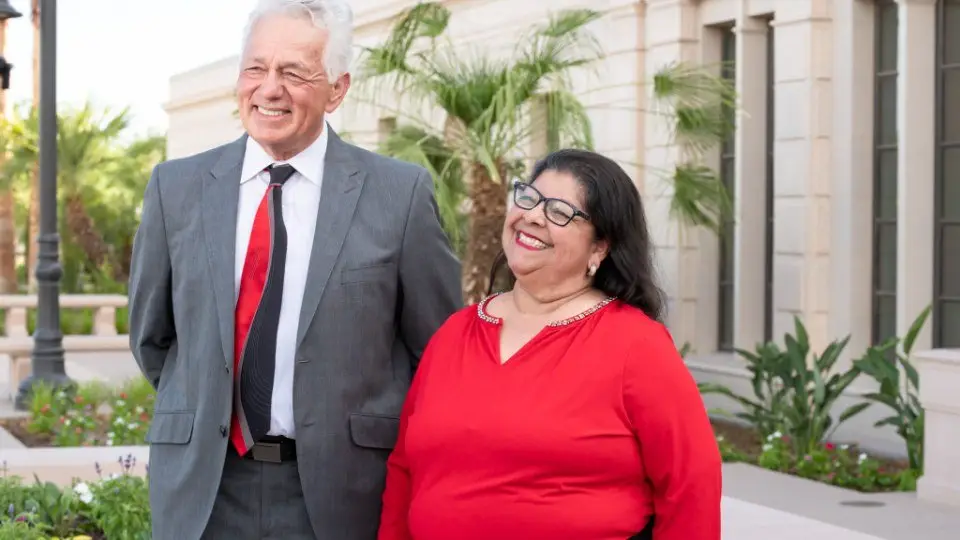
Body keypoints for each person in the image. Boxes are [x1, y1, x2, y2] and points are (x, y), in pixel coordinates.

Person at [127, 1, 462, 538]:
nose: (270, 88)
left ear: (337, 89)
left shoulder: (399, 195)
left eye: (294, 72)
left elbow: (438, 352)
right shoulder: (176, 188)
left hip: (345, 492)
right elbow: (152, 339)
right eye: (256, 68)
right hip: (205, 491)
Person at [377, 149, 722, 540]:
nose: (534, 216)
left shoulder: (636, 344)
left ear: (600, 247)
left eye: (560, 212)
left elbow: (691, 482)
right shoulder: (455, 333)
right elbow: (404, 470)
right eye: (529, 198)